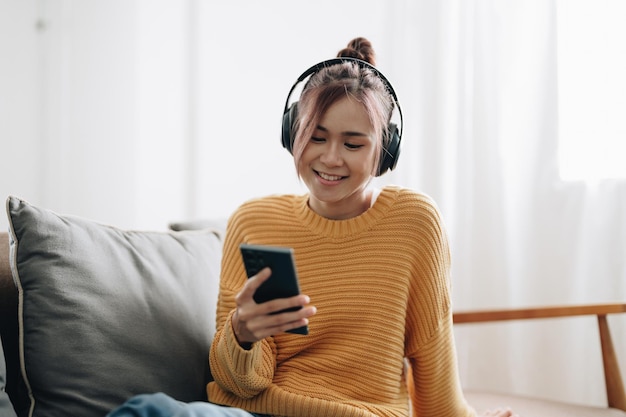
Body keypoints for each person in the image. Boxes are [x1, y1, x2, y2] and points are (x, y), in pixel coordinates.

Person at [108, 37, 517, 417]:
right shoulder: (254, 221)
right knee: (148, 409)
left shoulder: (413, 221)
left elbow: (432, 354)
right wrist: (242, 332)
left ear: (385, 152)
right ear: (292, 134)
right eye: (315, 137)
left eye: (353, 144)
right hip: (254, 411)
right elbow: (241, 383)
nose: (331, 158)